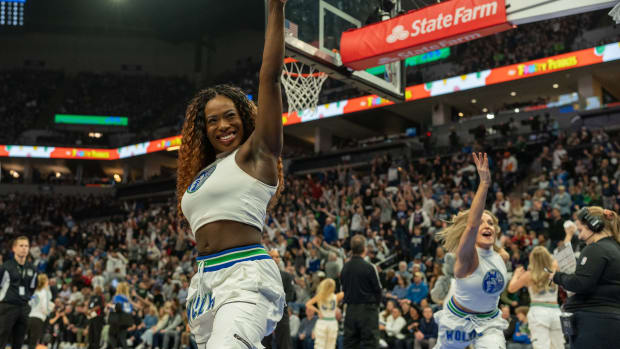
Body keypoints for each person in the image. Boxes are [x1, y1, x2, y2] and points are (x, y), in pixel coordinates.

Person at [176, 0, 287, 347]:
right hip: (204, 282)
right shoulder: (203, 173)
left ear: (245, 117)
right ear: (203, 129)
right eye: (212, 120)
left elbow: (269, 78)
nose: (222, 125)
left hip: (245, 275)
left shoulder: (257, 152)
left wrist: (275, 9)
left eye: (230, 116)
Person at [435, 153, 510, 349]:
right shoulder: (467, 256)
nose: (487, 226)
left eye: (491, 223)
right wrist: (484, 183)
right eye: (482, 223)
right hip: (458, 320)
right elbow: (470, 226)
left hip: (489, 321)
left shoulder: (502, 256)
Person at [551, 206, 620, 348]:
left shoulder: (596, 248)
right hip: (610, 321)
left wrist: (558, 277)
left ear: (594, 225)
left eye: (581, 230)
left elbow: (580, 283)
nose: (581, 236)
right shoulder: (615, 248)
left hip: (594, 322)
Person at [507, 246, 564, 349]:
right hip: (555, 311)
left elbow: (511, 288)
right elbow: (562, 251)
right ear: (548, 256)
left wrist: (516, 275)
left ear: (532, 259)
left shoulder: (529, 275)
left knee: (541, 346)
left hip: (538, 312)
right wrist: (568, 235)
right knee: (558, 346)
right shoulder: (554, 268)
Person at [340, 234, 382, 349]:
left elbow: (343, 289)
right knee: (370, 344)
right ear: (365, 248)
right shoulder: (370, 267)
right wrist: (375, 306)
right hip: (368, 310)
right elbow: (378, 290)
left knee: (350, 344)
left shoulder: (345, 268)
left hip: (350, 310)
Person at [0, 236, 37, 349]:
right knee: (2, 337)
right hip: (8, 306)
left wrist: (26, 301)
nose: (24, 248)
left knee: (19, 341)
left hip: (23, 307)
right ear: (14, 248)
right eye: (21, 245)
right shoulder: (6, 266)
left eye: (26, 246)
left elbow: (32, 287)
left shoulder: (32, 268)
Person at [262, 249, 296, 349]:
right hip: (265, 313)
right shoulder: (261, 276)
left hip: (281, 312)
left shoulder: (286, 276)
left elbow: (291, 295)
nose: (274, 259)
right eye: (272, 257)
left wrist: (277, 300)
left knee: (284, 342)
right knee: (264, 343)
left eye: (277, 257)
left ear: (279, 259)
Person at [305, 278, 344, 349]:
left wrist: (318, 311)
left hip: (322, 322)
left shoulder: (319, 296)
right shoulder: (337, 296)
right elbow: (345, 292)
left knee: (319, 346)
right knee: (331, 346)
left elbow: (308, 304)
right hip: (332, 322)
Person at [27, 274, 55, 349]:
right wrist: (50, 308)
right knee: (34, 342)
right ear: (45, 281)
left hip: (31, 317)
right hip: (39, 318)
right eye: (47, 280)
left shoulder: (36, 292)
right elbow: (44, 308)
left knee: (31, 341)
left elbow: (30, 303)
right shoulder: (44, 292)